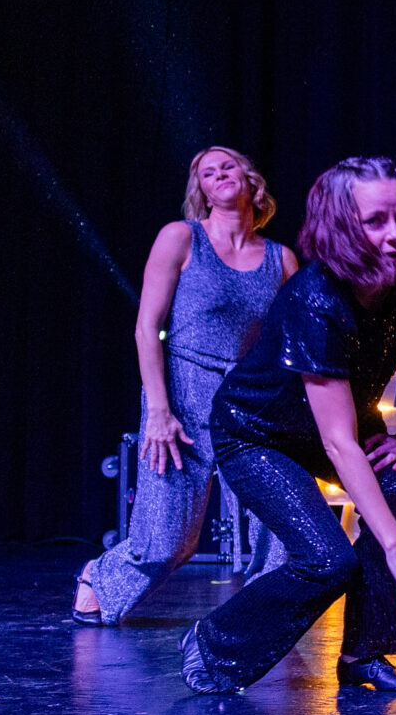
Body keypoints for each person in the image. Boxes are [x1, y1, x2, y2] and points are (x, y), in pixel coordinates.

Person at [180, 157, 396, 696]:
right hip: (258, 433)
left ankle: (362, 653)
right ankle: (214, 643)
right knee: (328, 560)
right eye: (375, 221)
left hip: (338, 424)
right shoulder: (315, 298)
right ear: (342, 225)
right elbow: (338, 442)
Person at [74, 147, 297, 624]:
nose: (219, 174)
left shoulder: (281, 259)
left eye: (228, 166)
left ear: (250, 179)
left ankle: (263, 617)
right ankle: (100, 577)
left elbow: (290, 341)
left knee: (276, 524)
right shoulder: (181, 238)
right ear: (203, 191)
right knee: (168, 540)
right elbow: (146, 327)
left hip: (248, 396)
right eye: (207, 172)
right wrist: (158, 410)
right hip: (182, 391)